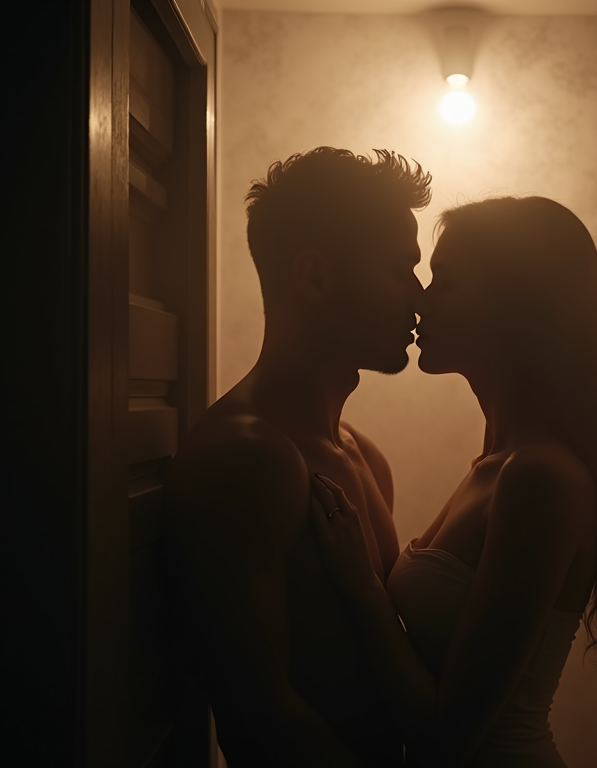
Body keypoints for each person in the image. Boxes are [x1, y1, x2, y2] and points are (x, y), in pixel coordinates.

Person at [310, 196, 597, 768]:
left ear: (515, 308)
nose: (419, 299)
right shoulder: (497, 465)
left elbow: (447, 738)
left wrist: (363, 590)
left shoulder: (541, 478)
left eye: (445, 282)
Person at [163, 147, 431, 767]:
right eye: (399, 270)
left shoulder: (362, 454)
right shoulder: (250, 457)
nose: (419, 300)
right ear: (316, 278)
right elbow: (263, 716)